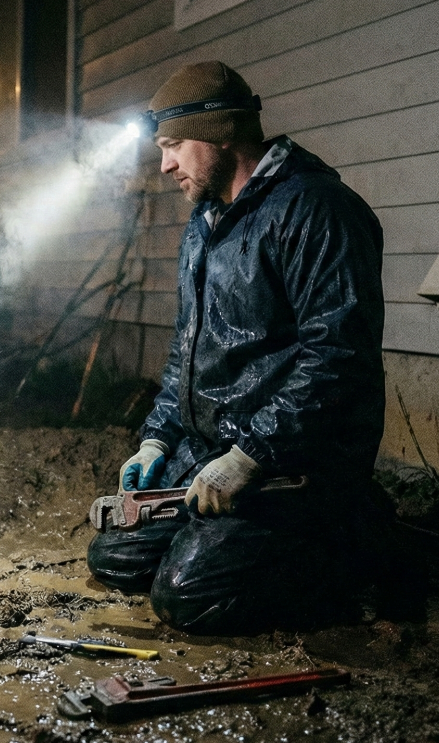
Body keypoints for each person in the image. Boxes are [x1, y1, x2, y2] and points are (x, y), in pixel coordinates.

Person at [86, 61, 391, 634]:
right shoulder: (205, 222)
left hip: (294, 463)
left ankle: (352, 541)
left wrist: (253, 455)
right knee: (115, 558)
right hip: (212, 448)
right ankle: (240, 543)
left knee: (186, 597)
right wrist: (157, 438)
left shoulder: (315, 210)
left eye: (174, 145)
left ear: (221, 131)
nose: (164, 164)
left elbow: (337, 358)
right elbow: (187, 349)